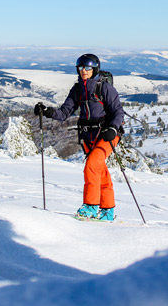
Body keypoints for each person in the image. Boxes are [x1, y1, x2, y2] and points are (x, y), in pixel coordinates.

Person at [34, 53, 124, 221]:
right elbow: (64, 113)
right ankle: (107, 211)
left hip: (107, 134)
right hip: (88, 135)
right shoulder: (77, 90)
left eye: (88, 67)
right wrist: (47, 111)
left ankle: (90, 207)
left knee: (92, 164)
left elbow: (118, 111)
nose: (84, 71)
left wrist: (113, 127)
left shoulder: (104, 88)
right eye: (81, 67)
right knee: (100, 170)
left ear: (95, 69)